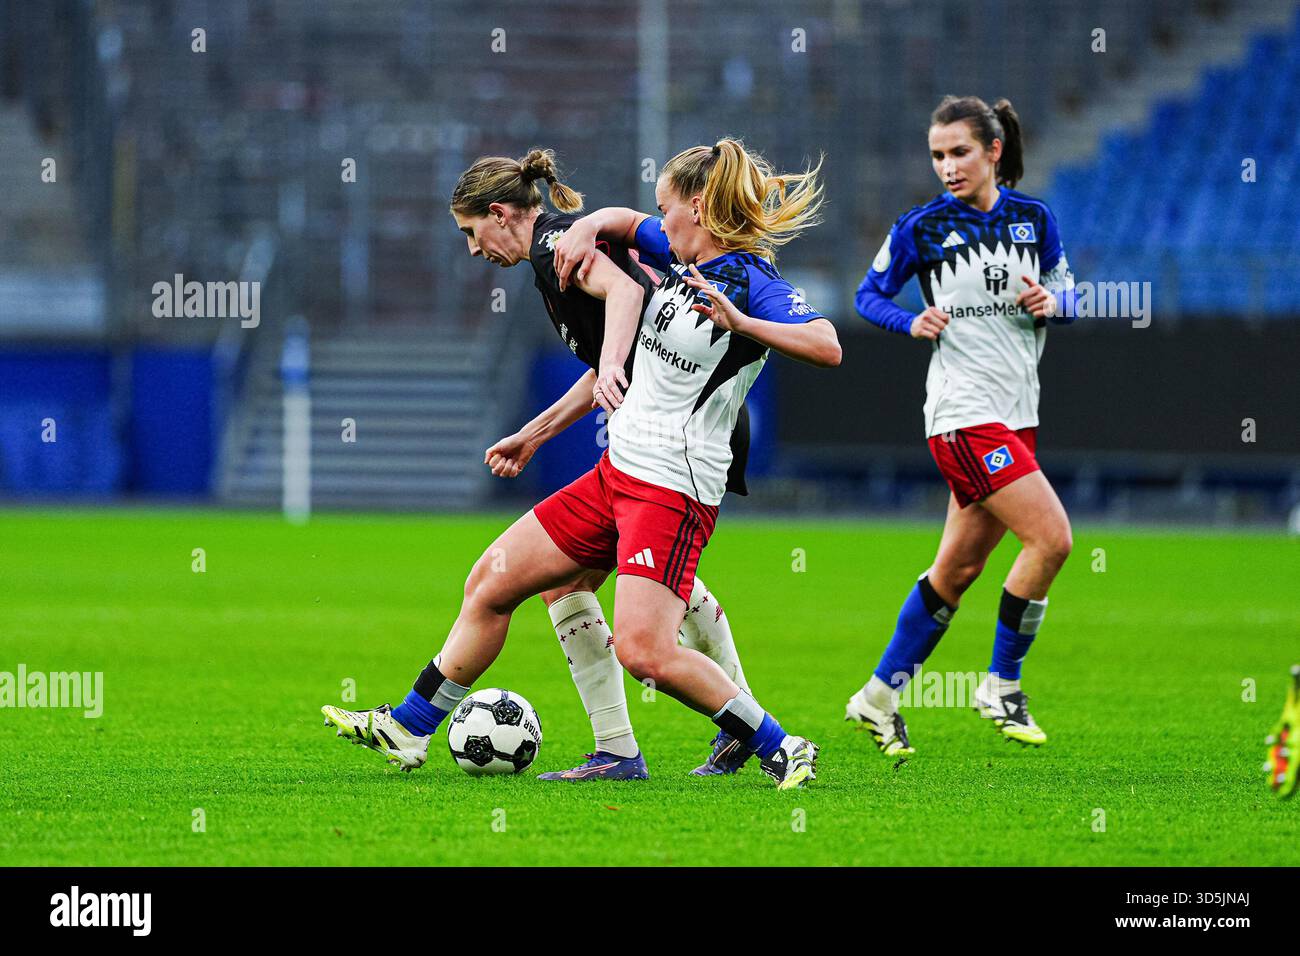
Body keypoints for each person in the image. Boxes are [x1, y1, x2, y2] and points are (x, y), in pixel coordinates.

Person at [323, 138, 840, 790]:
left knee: (644, 651)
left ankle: (782, 745)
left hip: (673, 484)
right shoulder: (674, 252)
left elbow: (828, 346)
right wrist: (594, 223)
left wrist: (744, 321)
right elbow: (624, 223)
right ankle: (413, 726)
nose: (658, 221)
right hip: (617, 471)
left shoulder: (754, 281)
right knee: (494, 579)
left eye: (666, 207)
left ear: (699, 209)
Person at [462, 147, 757, 779]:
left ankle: (750, 729)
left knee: (640, 609)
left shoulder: (551, 252)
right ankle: (623, 750)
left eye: (470, 232)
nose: (472, 249)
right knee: (572, 584)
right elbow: (628, 250)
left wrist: (615, 365)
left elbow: (622, 306)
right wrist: (535, 433)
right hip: (657, 429)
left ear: (497, 213)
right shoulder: (573, 245)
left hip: (682, 427)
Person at [846, 96, 1077, 754]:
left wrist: (1053, 304)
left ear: (993, 151)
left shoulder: (1035, 220)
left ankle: (878, 697)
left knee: (958, 569)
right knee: (1054, 540)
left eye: (959, 153)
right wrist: (909, 320)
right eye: (938, 155)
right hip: (962, 416)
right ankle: (1001, 683)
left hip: (1016, 414)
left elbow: (1073, 294)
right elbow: (869, 295)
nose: (947, 166)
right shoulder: (922, 227)